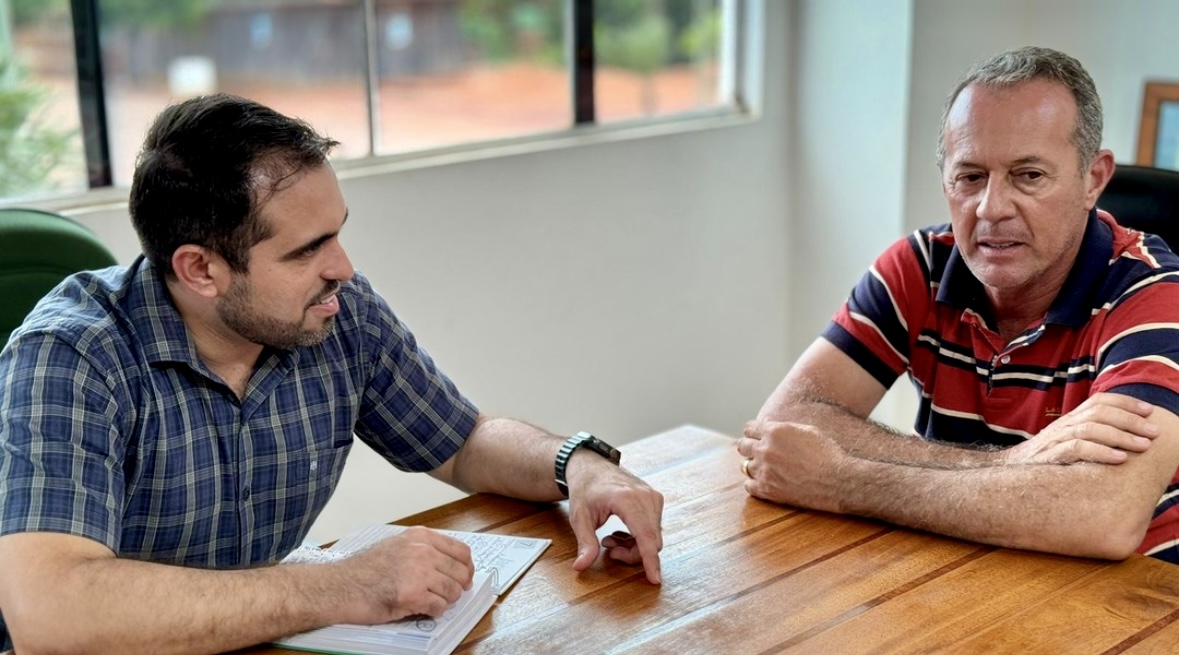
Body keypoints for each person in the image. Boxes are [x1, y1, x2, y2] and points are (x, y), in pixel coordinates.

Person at [0, 94, 664, 654]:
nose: (342, 267)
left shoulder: (334, 311)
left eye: (337, 233)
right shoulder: (72, 355)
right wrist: (343, 586)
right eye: (306, 250)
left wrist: (578, 464)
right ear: (200, 269)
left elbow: (463, 441)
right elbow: (51, 615)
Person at [738, 46, 1179, 563]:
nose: (992, 208)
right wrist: (1016, 463)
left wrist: (842, 480)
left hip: (1130, 598)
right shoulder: (920, 264)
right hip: (960, 571)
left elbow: (1102, 516)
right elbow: (785, 428)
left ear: (1093, 180)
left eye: (1029, 175)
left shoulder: (1156, 295)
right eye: (970, 176)